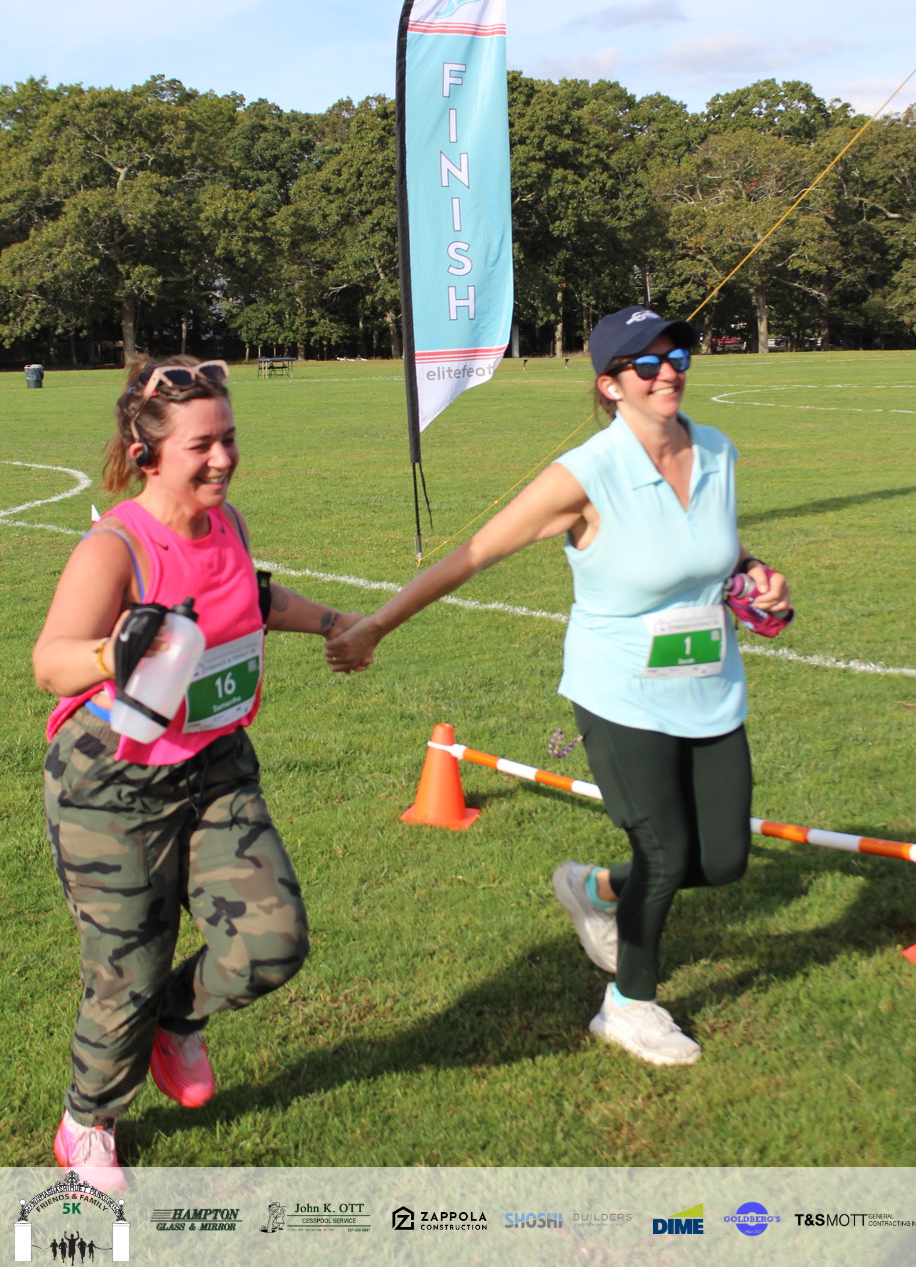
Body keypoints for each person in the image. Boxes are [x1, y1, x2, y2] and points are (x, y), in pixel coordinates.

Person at [326, 306, 790, 1066]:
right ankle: (628, 1006)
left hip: (710, 684)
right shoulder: (584, 475)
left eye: (677, 357)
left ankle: (596, 889)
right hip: (620, 689)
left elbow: (719, 548)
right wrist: (376, 625)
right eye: (647, 363)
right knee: (666, 851)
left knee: (723, 858)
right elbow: (471, 555)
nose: (667, 372)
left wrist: (757, 576)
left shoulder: (716, 451)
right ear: (611, 385)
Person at [34, 356, 362, 1188]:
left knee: (270, 945)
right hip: (113, 785)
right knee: (127, 974)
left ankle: (176, 1022)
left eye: (229, 439)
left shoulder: (229, 525)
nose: (222, 459)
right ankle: (88, 1121)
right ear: (146, 455)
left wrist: (335, 622)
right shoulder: (115, 546)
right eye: (201, 446)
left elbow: (255, 597)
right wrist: (117, 649)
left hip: (215, 765)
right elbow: (50, 662)